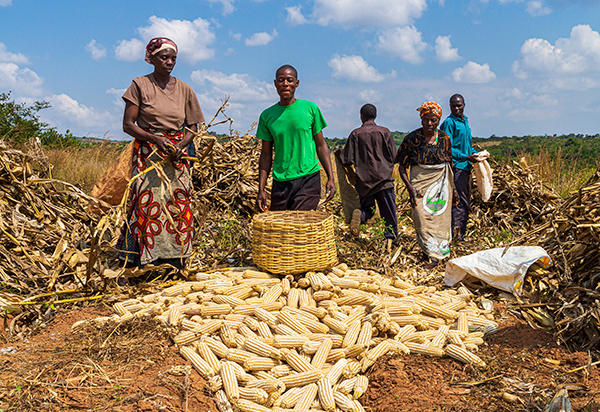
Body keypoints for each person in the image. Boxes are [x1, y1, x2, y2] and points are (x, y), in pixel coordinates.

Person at [118, 37, 204, 268]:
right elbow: (128, 124)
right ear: (151, 59)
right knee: (148, 204)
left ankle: (176, 259)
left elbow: (193, 127)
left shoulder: (185, 89)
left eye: (173, 58)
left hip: (176, 156)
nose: (169, 62)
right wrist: (155, 139)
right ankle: (145, 259)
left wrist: (181, 145)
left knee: (178, 205)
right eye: (164, 57)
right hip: (150, 155)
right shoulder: (139, 85)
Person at [256, 65, 336, 212]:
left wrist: (331, 177)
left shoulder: (310, 108)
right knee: (281, 229)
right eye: (281, 80)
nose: (285, 84)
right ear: (275, 84)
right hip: (281, 181)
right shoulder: (267, 116)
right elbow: (266, 154)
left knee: (300, 222)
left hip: (308, 178)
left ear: (297, 83)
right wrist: (261, 189)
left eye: (289, 80)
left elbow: (321, 145)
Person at [396, 102, 457, 268]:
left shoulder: (444, 138)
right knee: (421, 217)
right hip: (419, 182)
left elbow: (449, 164)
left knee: (440, 219)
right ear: (421, 119)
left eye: (433, 120)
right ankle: (429, 252)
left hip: (442, 183)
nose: (429, 123)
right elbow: (402, 166)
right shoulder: (412, 139)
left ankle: (436, 256)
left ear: (438, 120)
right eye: (426, 120)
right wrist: (409, 188)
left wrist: (454, 190)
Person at [336, 103, 397, 239]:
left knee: (368, 210)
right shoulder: (385, 132)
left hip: (364, 181)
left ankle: (360, 215)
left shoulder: (355, 134)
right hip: (384, 180)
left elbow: (347, 159)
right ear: (375, 116)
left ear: (361, 116)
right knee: (388, 213)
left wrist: (339, 153)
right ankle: (390, 238)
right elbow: (394, 156)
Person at [440, 94, 479, 241]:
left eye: (459, 105)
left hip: (466, 167)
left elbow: (467, 146)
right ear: (450, 106)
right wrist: (465, 157)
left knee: (465, 201)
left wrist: (475, 154)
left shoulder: (465, 121)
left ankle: (461, 233)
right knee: (458, 202)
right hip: (456, 168)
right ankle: (456, 236)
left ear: (464, 104)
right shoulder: (449, 123)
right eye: (453, 105)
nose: (457, 108)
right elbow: (447, 148)